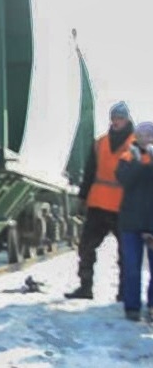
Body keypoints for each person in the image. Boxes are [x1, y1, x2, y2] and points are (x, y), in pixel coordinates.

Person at [66, 101, 135, 300]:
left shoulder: (136, 144)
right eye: (114, 118)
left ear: (127, 120)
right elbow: (89, 173)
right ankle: (85, 287)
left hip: (124, 208)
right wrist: (82, 198)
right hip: (98, 204)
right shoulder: (100, 143)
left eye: (120, 118)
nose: (116, 121)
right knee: (86, 247)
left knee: (126, 253)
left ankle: (124, 292)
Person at [116, 121, 153, 322]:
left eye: (150, 134)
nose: (147, 137)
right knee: (131, 267)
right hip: (131, 222)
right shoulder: (128, 157)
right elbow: (124, 180)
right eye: (143, 134)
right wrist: (140, 162)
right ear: (136, 137)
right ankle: (132, 307)